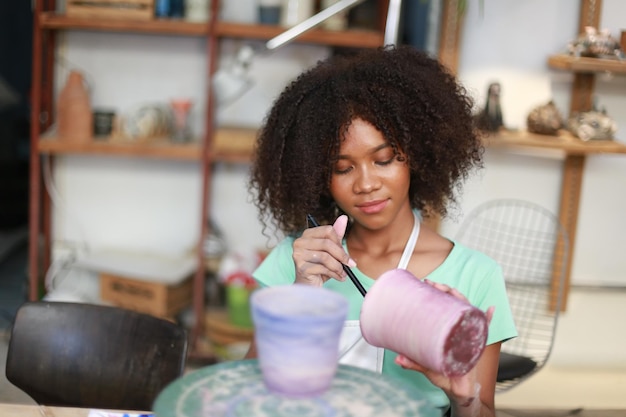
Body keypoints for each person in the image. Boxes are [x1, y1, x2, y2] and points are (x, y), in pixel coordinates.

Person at [246, 45, 517, 417]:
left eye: (384, 160)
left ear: (417, 154)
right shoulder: (298, 263)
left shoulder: (475, 277)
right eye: (343, 168)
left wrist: (464, 396)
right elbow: (247, 395)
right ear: (317, 177)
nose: (366, 183)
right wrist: (299, 299)